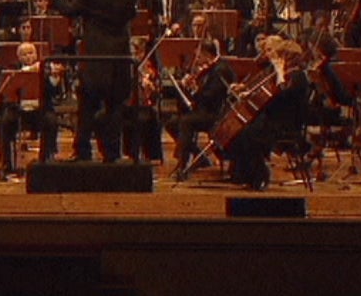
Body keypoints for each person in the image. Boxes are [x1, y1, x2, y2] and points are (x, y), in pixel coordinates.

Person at [52, 0, 138, 162]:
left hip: (95, 60)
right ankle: (112, 153)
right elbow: (130, 16)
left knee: (87, 108)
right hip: (119, 61)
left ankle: (83, 151)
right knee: (114, 108)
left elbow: (69, 10)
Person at [220, 35, 310, 190]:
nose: (278, 60)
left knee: (248, 135)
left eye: (281, 56)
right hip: (272, 121)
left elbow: (283, 95)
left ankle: (261, 175)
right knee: (241, 132)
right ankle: (244, 174)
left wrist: (279, 72)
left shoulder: (298, 76)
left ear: (290, 58)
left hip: (286, 125)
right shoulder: (286, 75)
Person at [164, 40, 235, 179]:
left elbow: (212, 97)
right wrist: (188, 88)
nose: (196, 60)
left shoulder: (221, 69)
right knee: (171, 123)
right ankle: (200, 157)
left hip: (217, 114)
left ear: (207, 54)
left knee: (186, 122)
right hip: (204, 111)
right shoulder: (210, 69)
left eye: (199, 56)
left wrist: (196, 90)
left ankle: (183, 166)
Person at [0, 42, 61, 180]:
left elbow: (54, 93)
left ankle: (47, 158)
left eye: (31, 53)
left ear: (36, 54)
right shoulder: (12, 70)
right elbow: (6, 92)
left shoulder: (45, 69)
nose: (28, 56)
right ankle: (7, 164)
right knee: (1, 123)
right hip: (18, 110)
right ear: (18, 57)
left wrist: (54, 78)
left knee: (51, 121)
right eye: (24, 54)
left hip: (40, 110)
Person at [123, 37, 164, 163]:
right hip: (127, 104)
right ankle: (128, 153)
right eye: (133, 53)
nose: (136, 56)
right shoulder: (126, 67)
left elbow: (155, 94)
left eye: (139, 52)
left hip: (144, 106)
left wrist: (149, 87)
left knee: (147, 117)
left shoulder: (148, 68)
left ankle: (148, 154)